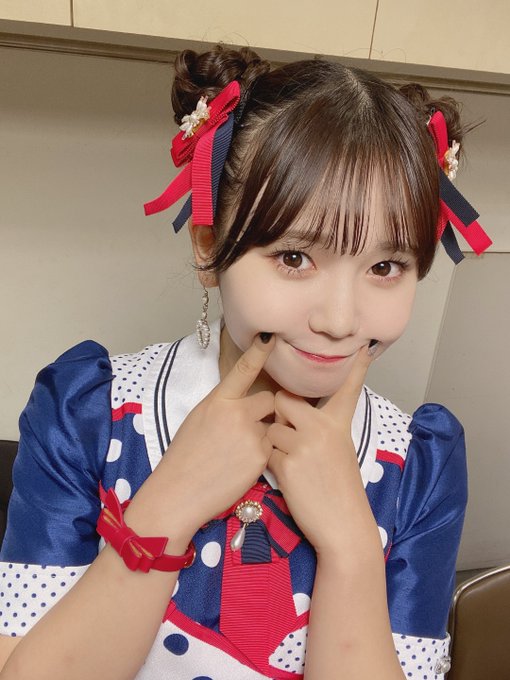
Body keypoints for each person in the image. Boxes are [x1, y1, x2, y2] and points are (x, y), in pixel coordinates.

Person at [0, 45, 491, 680]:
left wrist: (350, 547)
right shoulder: (89, 414)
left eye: (385, 266)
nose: (340, 319)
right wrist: (167, 504)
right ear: (209, 246)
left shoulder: (418, 468)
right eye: (294, 258)